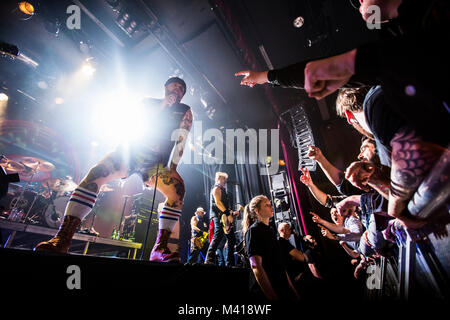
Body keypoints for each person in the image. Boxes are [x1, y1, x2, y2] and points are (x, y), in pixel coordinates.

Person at [34, 77, 193, 262]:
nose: (178, 89)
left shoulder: (184, 111)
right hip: (129, 154)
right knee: (96, 174)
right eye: (175, 85)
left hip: (155, 164)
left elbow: (182, 139)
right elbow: (135, 123)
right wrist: (163, 106)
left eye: (182, 89)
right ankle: (63, 237)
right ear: (165, 88)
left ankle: (160, 248)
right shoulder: (147, 103)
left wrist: (173, 167)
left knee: (178, 190)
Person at [243, 195, 299, 301]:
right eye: (267, 205)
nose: (271, 207)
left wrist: (293, 290)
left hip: (281, 288)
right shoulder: (253, 231)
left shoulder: (270, 230)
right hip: (267, 293)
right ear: (256, 210)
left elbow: (280, 265)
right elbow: (256, 266)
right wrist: (272, 297)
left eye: (270, 204)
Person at [204, 172, 239, 266]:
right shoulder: (216, 188)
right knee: (218, 234)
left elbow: (224, 205)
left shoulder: (223, 190)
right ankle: (209, 259)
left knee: (231, 239)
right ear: (219, 178)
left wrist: (232, 213)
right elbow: (218, 203)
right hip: (218, 216)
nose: (225, 181)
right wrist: (227, 213)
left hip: (224, 216)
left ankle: (230, 263)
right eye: (224, 179)